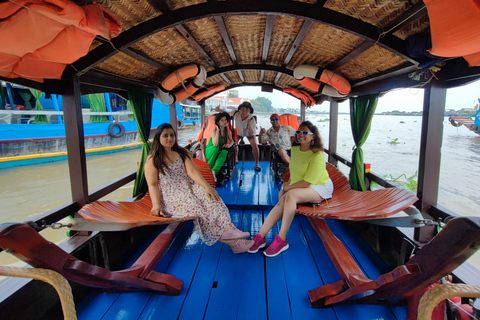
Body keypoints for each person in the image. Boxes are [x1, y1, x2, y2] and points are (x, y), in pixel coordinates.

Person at [145, 123, 254, 253]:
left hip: (189, 187)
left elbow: (192, 172)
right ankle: (234, 242)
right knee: (198, 208)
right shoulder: (153, 159)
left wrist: (207, 187)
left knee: (212, 198)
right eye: (165, 136)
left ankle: (228, 229)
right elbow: (152, 184)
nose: (169, 138)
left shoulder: (181, 152)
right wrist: (156, 205)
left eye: (172, 135)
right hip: (172, 195)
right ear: (158, 138)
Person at [248, 121, 334, 257]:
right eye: (299, 132)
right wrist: (285, 187)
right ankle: (261, 235)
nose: (301, 135)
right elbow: (295, 174)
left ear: (313, 137)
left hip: (319, 186)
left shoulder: (317, 155)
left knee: (290, 195)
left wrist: (286, 188)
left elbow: (306, 182)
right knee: (283, 199)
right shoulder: (295, 150)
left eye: (305, 132)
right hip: (302, 184)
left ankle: (282, 239)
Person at [215, 102, 261, 171]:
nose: (244, 112)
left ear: (250, 111)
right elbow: (226, 113)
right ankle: (235, 158)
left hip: (249, 133)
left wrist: (249, 124)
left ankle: (257, 163)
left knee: (255, 145)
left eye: (246, 110)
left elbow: (251, 133)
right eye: (242, 109)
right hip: (239, 132)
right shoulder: (236, 113)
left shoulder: (252, 119)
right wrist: (219, 110)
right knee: (234, 143)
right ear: (240, 109)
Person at [204, 112, 234, 179]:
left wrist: (229, 145)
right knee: (215, 148)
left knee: (224, 152)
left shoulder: (226, 130)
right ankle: (208, 169)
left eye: (225, 120)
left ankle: (214, 171)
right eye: (222, 120)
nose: (224, 122)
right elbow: (215, 144)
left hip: (219, 150)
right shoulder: (214, 131)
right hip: (211, 149)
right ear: (218, 122)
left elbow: (232, 140)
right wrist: (217, 130)